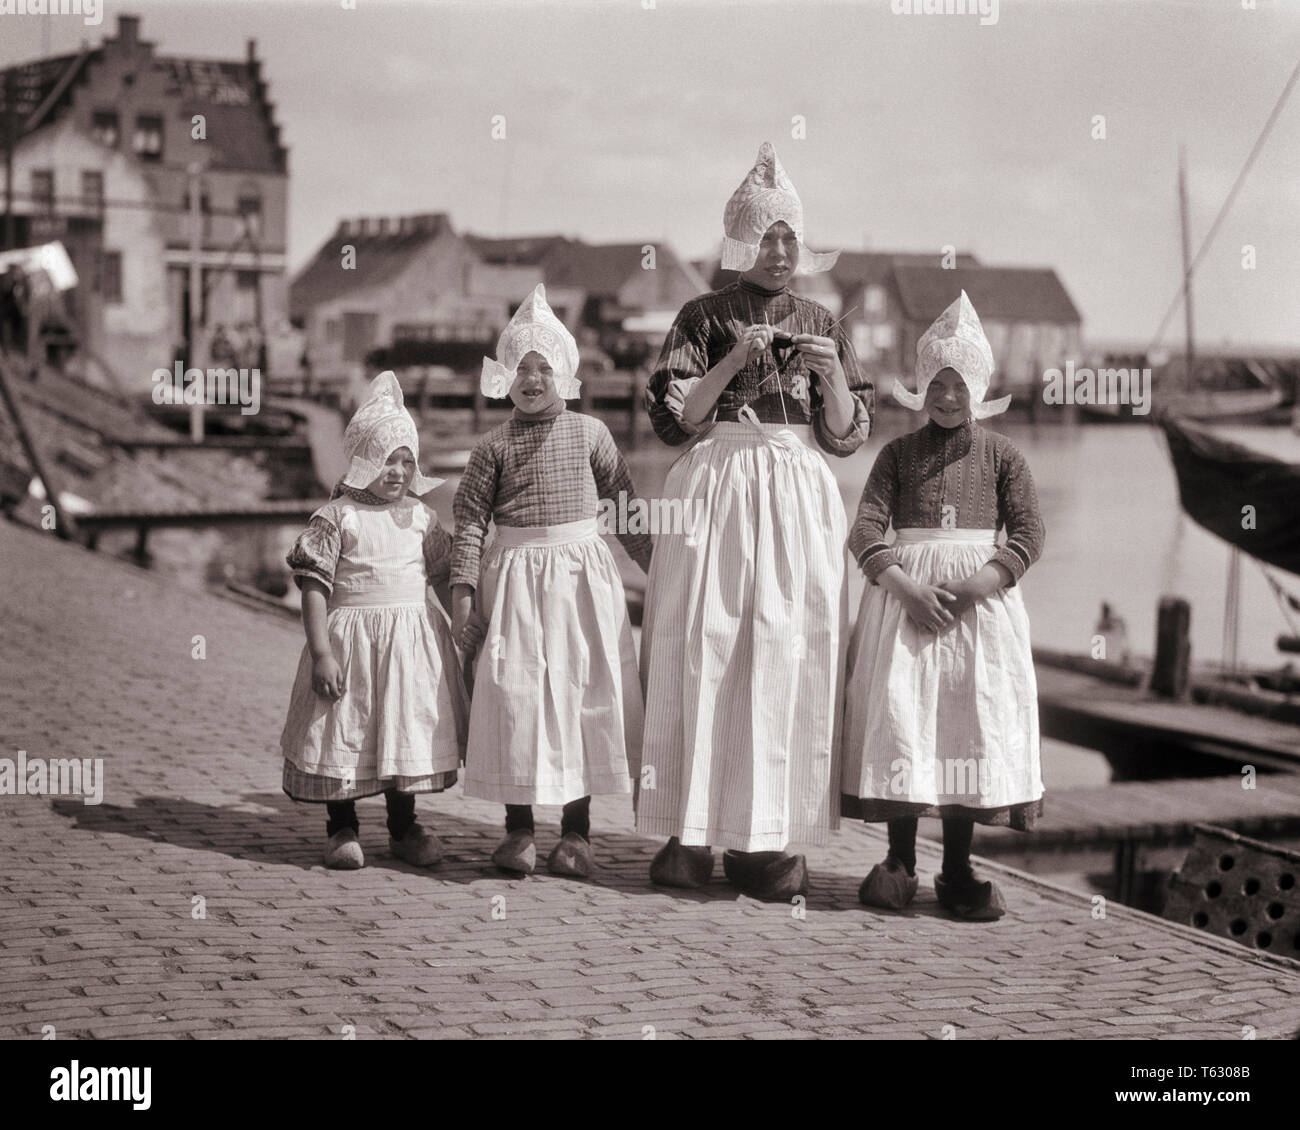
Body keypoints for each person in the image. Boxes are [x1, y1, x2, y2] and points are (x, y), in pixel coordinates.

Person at [636, 142, 874, 901]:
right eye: (766, 236)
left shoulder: (822, 318)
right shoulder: (700, 315)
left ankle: (770, 836)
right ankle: (690, 830)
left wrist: (833, 376)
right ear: (741, 240)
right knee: (700, 641)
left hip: (797, 487)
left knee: (787, 648)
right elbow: (678, 425)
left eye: (789, 237)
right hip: (718, 482)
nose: (779, 251)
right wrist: (734, 362)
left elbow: (844, 437)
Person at [842, 291, 1045, 920]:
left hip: (978, 613)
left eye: (958, 385)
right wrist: (903, 585)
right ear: (921, 385)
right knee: (905, 720)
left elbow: (1030, 533)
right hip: (905, 607)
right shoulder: (897, 456)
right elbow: (866, 531)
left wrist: (978, 587)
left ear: (978, 387)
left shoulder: (1005, 457)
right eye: (936, 382)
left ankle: (957, 870)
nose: (947, 396)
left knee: (965, 725)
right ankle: (900, 862)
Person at [450, 284, 652, 878]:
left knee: (580, 696)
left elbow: (624, 509)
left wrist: (663, 570)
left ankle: (576, 833)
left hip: (582, 582)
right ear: (504, 377)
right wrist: (463, 603)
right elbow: (467, 524)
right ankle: (518, 829)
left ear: (564, 373)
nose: (532, 379)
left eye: (543, 368)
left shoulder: (592, 433)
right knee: (517, 697)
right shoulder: (491, 447)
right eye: (520, 368)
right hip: (513, 585)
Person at [280, 371, 469, 870]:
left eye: (407, 459)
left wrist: (464, 627)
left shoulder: (421, 518)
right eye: (388, 458)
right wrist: (322, 651)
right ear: (364, 458)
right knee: (343, 729)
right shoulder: (337, 517)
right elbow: (315, 587)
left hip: (410, 649)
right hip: (351, 645)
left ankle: (404, 826)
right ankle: (341, 826)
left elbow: (444, 575)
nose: (399, 470)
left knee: (401, 729)